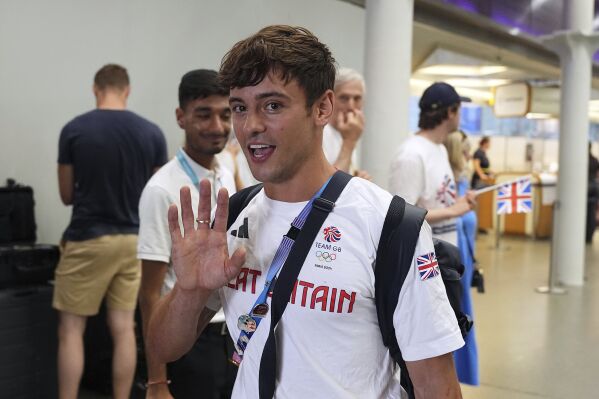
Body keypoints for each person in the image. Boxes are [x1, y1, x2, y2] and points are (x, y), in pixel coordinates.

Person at [147, 25, 464, 398]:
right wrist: (189, 290)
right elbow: (164, 348)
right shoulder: (234, 218)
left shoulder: (387, 225)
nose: (251, 126)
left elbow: (437, 387)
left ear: (323, 107)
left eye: (273, 105)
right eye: (240, 108)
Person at [54, 64, 167, 399]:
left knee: (72, 329)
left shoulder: (74, 130)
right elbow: (157, 194)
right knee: (124, 328)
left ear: (95, 89)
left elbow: (66, 195)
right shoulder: (152, 132)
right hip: (135, 242)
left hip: (88, 237)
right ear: (127, 90)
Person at [137, 69, 238, 398]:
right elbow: (150, 293)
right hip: (190, 336)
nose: (217, 127)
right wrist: (156, 381)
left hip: (233, 333)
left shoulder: (226, 172)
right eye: (203, 115)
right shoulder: (162, 190)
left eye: (226, 114)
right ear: (181, 117)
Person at [388, 82, 475, 246]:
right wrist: (451, 211)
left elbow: (436, 202)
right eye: (459, 110)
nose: (460, 116)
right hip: (422, 260)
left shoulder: (440, 149)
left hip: (444, 256)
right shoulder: (411, 154)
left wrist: (459, 203)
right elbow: (402, 216)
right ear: (450, 112)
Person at [445, 131, 479, 386]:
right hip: (451, 258)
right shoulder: (448, 186)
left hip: (464, 256)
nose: (469, 156)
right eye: (465, 151)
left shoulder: (463, 182)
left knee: (462, 315)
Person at [322, 67, 365, 174]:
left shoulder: (347, 133)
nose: (351, 106)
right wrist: (349, 142)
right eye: (344, 98)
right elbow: (327, 186)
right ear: (330, 99)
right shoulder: (318, 133)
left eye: (357, 99)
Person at [587, 142, 599, 243]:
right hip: (594, 187)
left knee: (584, 212)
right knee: (592, 212)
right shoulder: (595, 160)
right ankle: (589, 236)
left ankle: (584, 234)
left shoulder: (582, 160)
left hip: (586, 188)